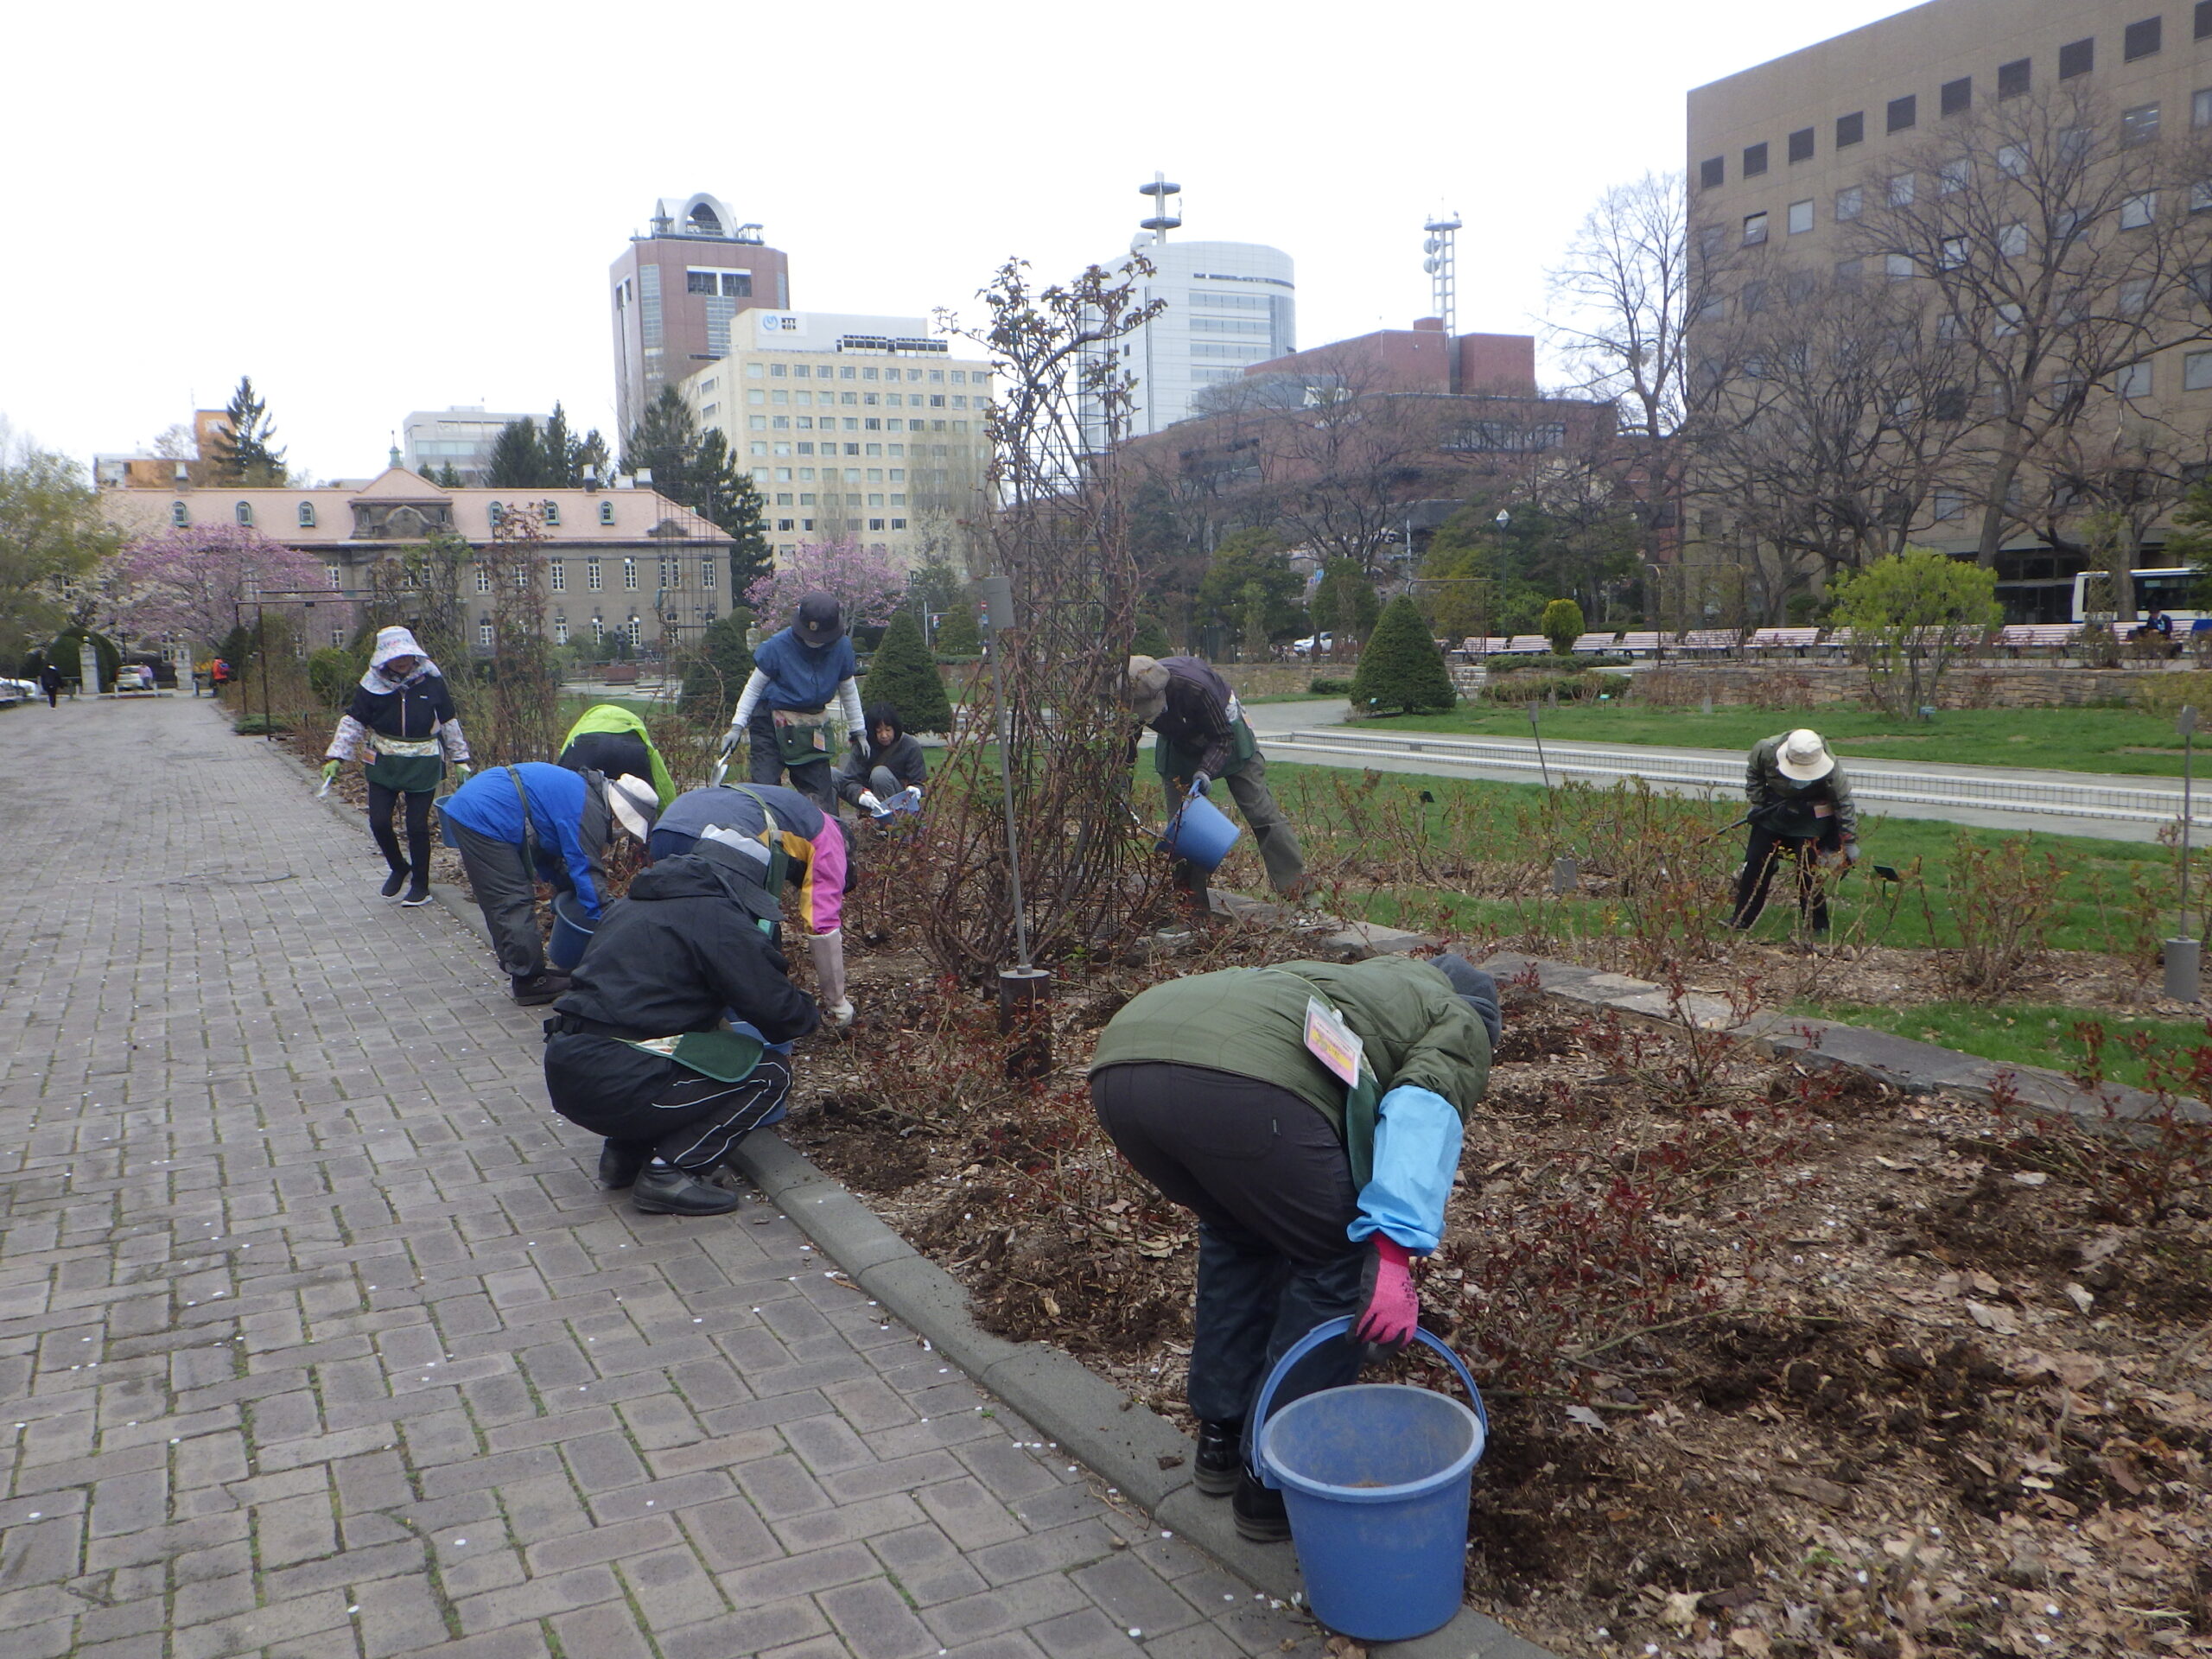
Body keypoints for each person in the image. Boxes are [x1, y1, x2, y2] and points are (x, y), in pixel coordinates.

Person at [1090, 951, 1499, 1543]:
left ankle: (1221, 1440)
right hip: (1240, 1086)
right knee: (1337, 1262)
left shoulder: (1356, 981)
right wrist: (1388, 1254)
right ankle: (1271, 1480)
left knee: (1239, 1233)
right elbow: (1420, 1113)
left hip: (1123, 1068)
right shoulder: (1457, 1016)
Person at [543, 829, 822, 1216]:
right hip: (620, 1080)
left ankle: (624, 1154)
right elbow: (780, 1014)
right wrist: (813, 1012)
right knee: (768, 1075)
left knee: (677, 1043)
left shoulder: (631, 905)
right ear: (741, 883)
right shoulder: (718, 917)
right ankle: (670, 1172)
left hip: (569, 1067)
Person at [437, 762, 660, 1004]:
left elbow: (547, 852)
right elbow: (587, 870)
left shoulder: (585, 795)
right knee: (511, 899)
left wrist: (563, 889)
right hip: (484, 814)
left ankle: (528, 969)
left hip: (482, 804)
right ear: (618, 812)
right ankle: (529, 981)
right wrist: (615, 926)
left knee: (509, 898)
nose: (620, 833)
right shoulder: (589, 811)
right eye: (623, 827)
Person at [651, 781, 854, 1027]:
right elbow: (823, 925)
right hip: (716, 838)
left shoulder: (790, 809)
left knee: (683, 923)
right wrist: (838, 1002)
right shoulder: (828, 836)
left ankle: (682, 1011)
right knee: (746, 938)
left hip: (668, 826)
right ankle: (744, 1023)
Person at [1126, 654, 1306, 907]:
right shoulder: (1129, 696)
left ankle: (1299, 896)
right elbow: (1126, 749)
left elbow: (1222, 737)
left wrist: (1205, 771)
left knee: (1262, 813)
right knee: (1182, 829)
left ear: (1160, 694)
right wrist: (1121, 790)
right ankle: (1190, 911)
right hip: (1178, 740)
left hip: (1225, 731)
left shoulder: (1195, 687)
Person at [321, 627, 472, 906]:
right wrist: (336, 757)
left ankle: (421, 885)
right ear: (383, 658)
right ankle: (399, 866)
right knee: (378, 822)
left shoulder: (431, 681)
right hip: (384, 761)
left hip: (423, 761)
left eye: (405, 655)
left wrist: (460, 759)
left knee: (417, 826)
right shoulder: (371, 685)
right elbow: (354, 721)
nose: (401, 661)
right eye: (395, 656)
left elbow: (449, 721)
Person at [720, 592, 864, 813]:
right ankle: (771, 841)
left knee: (821, 797)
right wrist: (737, 726)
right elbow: (754, 687)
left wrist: (859, 730)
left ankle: (827, 842)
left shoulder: (841, 648)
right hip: (771, 722)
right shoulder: (777, 646)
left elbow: (848, 689)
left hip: (812, 725)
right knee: (765, 794)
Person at [1729, 728, 1859, 935]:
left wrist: (1849, 840)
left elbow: (1843, 801)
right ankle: (1742, 919)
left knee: (1807, 868)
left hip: (1811, 815)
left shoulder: (1831, 767)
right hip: (1774, 810)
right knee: (1755, 864)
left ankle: (1817, 925)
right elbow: (1754, 774)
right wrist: (1758, 803)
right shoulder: (1765, 750)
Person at [558, 702, 677, 809]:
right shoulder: (637, 728)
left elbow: (560, 772)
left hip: (588, 743)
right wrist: (668, 814)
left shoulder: (583, 725)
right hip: (630, 745)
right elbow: (661, 780)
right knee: (641, 800)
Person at [834, 702, 929, 817]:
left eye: (888, 730)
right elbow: (850, 780)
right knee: (831, 774)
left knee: (879, 774)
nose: (884, 735)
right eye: (879, 731)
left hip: (898, 801)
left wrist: (916, 790)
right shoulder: (862, 746)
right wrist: (861, 794)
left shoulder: (910, 746)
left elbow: (920, 784)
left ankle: (889, 822)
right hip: (868, 797)